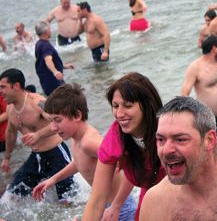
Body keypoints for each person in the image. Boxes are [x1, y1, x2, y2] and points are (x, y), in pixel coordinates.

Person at [82, 72, 217, 221]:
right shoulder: (117, 137)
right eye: (115, 106)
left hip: (193, 195)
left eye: (128, 105)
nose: (120, 114)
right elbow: (97, 200)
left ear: (146, 104)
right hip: (153, 199)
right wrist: (116, 204)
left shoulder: (169, 125)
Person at [32, 83, 136, 220]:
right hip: (105, 205)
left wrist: (116, 206)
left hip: (119, 208)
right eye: (51, 121)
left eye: (57, 120)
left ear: (77, 115)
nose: (53, 127)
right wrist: (54, 179)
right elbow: (81, 163)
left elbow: (133, 165)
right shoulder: (78, 140)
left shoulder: (89, 142)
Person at [0, 68, 74, 201]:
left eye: (3, 87)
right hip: (36, 157)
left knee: (66, 200)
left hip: (57, 154)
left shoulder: (37, 103)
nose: (0, 91)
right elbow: (10, 132)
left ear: (16, 86)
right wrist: (7, 158)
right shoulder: (10, 109)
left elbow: (60, 122)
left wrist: (38, 135)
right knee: (12, 195)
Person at [34, 21, 74, 96]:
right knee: (66, 99)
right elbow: (48, 60)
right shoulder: (46, 46)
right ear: (46, 32)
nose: (50, 31)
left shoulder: (39, 44)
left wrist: (64, 66)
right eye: (50, 29)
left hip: (46, 81)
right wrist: (55, 72)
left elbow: (43, 62)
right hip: (53, 81)